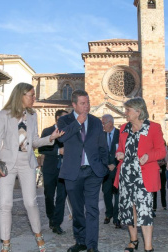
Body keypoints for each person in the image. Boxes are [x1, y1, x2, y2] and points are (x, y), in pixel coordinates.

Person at [0, 83, 64, 252]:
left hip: (27, 162)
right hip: (6, 163)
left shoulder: (32, 115)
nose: (34, 98)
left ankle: (38, 235)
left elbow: (35, 141)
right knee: (5, 204)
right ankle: (5, 243)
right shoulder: (3, 115)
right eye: (31, 95)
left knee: (31, 202)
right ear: (21, 95)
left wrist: (50, 138)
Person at [57, 90, 108, 252]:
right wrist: (77, 123)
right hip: (73, 172)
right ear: (74, 105)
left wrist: (103, 166)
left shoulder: (95, 121)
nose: (87, 106)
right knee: (78, 210)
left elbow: (102, 146)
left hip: (93, 172)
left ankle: (92, 246)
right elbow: (61, 138)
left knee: (92, 209)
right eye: (83, 103)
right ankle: (81, 241)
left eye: (88, 102)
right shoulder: (64, 120)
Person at [114, 97, 166, 252]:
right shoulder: (123, 128)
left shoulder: (153, 128)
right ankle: (133, 240)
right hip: (126, 175)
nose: (125, 113)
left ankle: (148, 247)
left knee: (144, 210)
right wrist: (119, 153)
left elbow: (162, 151)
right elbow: (120, 148)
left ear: (138, 111)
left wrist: (148, 157)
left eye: (128, 110)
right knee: (129, 209)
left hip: (144, 176)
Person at [38, 109, 68, 235]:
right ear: (57, 119)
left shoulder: (69, 132)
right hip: (50, 168)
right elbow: (41, 149)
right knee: (49, 195)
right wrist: (57, 152)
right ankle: (51, 217)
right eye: (64, 118)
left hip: (64, 169)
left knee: (61, 197)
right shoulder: (47, 131)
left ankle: (57, 223)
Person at [101, 114, 121, 228]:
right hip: (105, 170)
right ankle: (108, 214)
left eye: (104, 123)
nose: (102, 126)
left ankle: (117, 217)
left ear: (111, 123)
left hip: (118, 169)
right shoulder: (101, 135)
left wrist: (115, 163)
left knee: (118, 194)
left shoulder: (120, 135)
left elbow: (123, 150)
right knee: (106, 193)